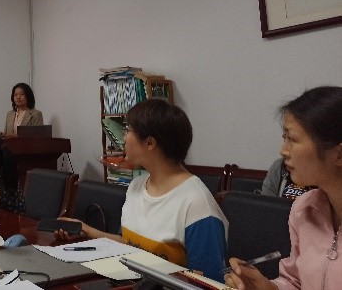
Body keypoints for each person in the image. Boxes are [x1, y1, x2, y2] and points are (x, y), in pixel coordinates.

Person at [55, 99, 228, 282]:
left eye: (128, 130)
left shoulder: (197, 204)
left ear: (150, 143)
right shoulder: (136, 186)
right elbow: (128, 245)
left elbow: (207, 282)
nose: (123, 138)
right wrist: (85, 229)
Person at [225, 86, 342, 290]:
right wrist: (266, 288)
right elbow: (295, 281)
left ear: (338, 154)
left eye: (292, 139)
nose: (283, 151)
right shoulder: (304, 209)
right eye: (284, 138)